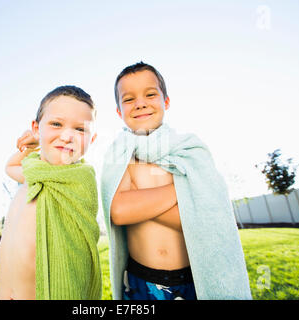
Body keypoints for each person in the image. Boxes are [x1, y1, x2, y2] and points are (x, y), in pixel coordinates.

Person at [101, 62, 252, 300]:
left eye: (150, 94)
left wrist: (140, 197)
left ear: (166, 102)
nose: (140, 103)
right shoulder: (119, 155)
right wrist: (184, 190)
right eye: (128, 99)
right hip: (142, 281)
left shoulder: (189, 151)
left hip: (193, 280)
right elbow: (119, 210)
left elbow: (202, 220)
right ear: (119, 111)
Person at [0, 85, 101, 300]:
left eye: (80, 129)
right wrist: (33, 146)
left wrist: (43, 139)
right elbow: (10, 167)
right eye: (56, 124)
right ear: (36, 128)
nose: (67, 136)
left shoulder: (78, 178)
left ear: (92, 138)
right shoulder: (35, 172)